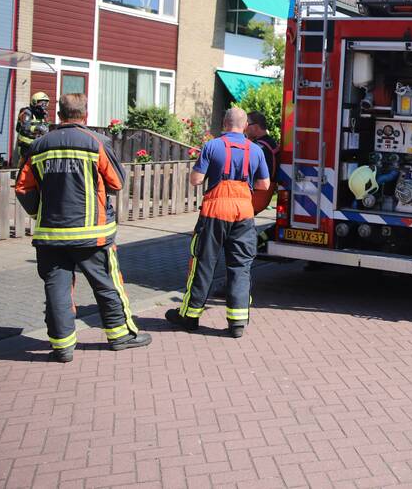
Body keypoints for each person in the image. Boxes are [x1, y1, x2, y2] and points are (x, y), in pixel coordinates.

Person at [15, 93, 150, 363]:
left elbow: (23, 187)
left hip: (50, 235)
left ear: (59, 115)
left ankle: (62, 347)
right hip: (92, 234)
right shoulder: (96, 142)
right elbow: (117, 183)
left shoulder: (39, 145)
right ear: (85, 115)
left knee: (57, 288)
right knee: (106, 284)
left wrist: (37, 212)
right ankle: (120, 335)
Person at [166, 108, 270, 338]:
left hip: (215, 211)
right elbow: (264, 184)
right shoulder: (255, 149)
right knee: (240, 266)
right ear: (245, 126)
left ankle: (190, 317)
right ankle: (237, 322)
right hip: (244, 212)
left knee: (203, 264)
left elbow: (196, 180)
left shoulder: (212, 146)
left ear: (224, 123)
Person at [245, 111, 281, 251]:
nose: (244, 127)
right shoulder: (270, 143)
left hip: (256, 195)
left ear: (256, 127)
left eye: (247, 124)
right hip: (264, 194)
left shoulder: (259, 148)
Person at [15, 91, 51, 165]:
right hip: (25, 145)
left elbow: (47, 125)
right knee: (24, 165)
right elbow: (25, 127)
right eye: (41, 102)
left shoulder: (44, 114)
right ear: (34, 102)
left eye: (45, 103)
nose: (44, 105)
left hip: (38, 144)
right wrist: (38, 128)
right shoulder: (27, 112)